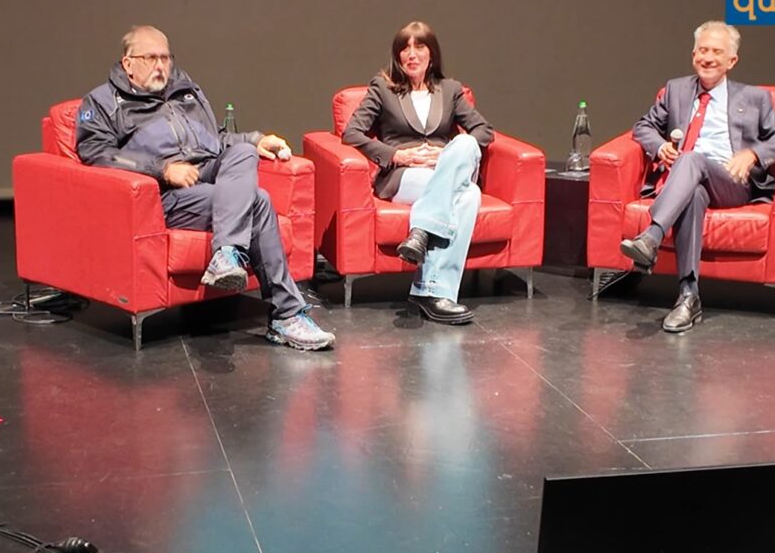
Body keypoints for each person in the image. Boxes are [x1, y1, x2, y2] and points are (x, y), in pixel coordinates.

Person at [75, 25, 335, 350]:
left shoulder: (185, 90)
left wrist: (255, 140)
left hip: (208, 174)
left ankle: (227, 255)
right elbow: (97, 155)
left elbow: (216, 142)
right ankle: (286, 314)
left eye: (165, 58)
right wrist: (162, 169)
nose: (161, 66)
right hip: (163, 194)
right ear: (128, 63)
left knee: (242, 153)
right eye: (151, 58)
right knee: (259, 201)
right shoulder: (102, 102)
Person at [621, 20, 775, 332]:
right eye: (702, 50)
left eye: (716, 52)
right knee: (692, 193)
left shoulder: (753, 98)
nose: (708, 58)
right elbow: (644, 126)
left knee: (693, 159)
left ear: (732, 61)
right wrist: (660, 145)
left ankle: (651, 237)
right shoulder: (676, 90)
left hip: (731, 182)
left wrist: (754, 153)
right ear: (693, 54)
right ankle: (689, 297)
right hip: (688, 182)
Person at [342, 21, 494, 324]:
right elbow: (352, 133)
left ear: (432, 54)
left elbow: (483, 131)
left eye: (419, 47)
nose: (411, 54)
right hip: (405, 177)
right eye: (404, 48)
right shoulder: (383, 88)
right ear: (398, 56)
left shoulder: (450, 90)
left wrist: (446, 155)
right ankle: (436, 294)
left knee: (465, 147)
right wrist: (397, 155)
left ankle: (425, 255)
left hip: (442, 172)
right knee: (469, 194)